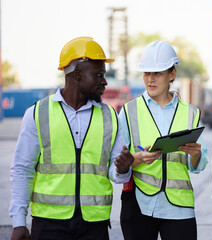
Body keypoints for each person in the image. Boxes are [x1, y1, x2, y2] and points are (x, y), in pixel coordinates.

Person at [9, 36, 134, 240]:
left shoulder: (110, 117)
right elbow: (22, 169)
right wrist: (18, 222)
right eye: (98, 74)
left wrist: (123, 169)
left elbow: (115, 172)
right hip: (49, 225)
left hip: (94, 226)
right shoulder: (38, 113)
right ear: (77, 74)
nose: (104, 81)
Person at [118, 40, 208, 240]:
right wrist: (138, 158)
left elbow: (197, 166)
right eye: (146, 73)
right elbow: (116, 163)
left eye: (157, 73)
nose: (150, 79)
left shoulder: (190, 113)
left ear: (172, 74)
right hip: (139, 204)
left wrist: (195, 154)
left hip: (179, 207)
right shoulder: (129, 111)